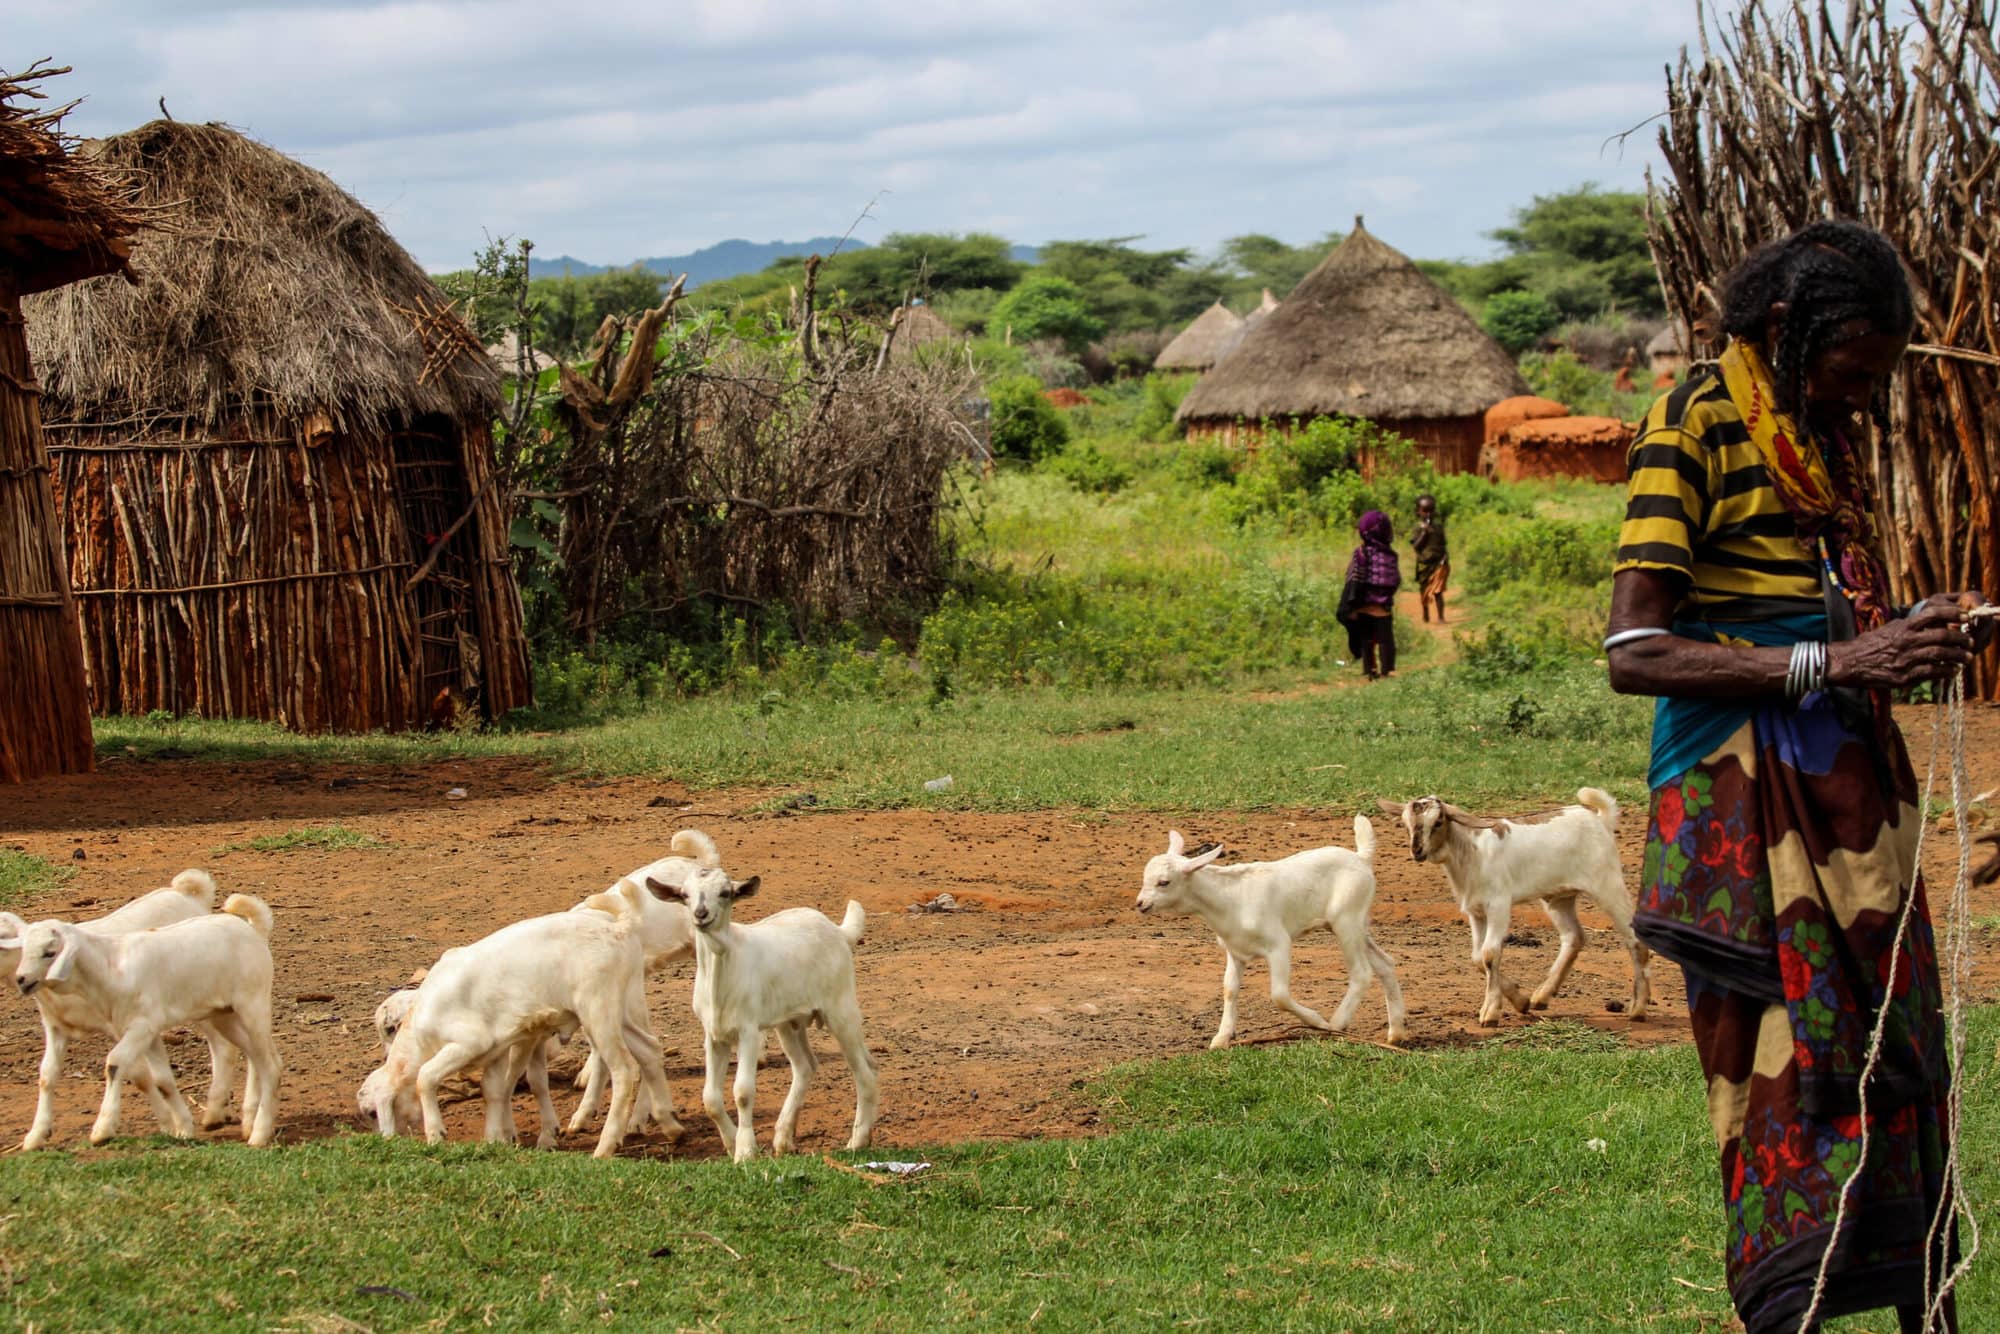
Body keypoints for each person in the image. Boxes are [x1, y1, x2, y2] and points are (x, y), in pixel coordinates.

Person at [1604, 220, 1988, 1334]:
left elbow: (1820, 614)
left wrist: (1904, 627)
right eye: (1851, 369)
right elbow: (1632, 650)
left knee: (1888, 1043)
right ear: (1783, 330)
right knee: (1782, 1061)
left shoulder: (1812, 438)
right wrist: (1835, 659)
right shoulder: (1691, 424)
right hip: (1740, 797)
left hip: (1848, 789)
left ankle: (1914, 1295)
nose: (1864, 398)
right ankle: (1786, 1307)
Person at [1338, 509, 1400, 679]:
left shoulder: (1361, 553)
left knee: (1367, 640)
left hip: (1364, 606)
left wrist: (1351, 605)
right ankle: (1387, 669)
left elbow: (1353, 577)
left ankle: (1370, 670)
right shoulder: (1391, 555)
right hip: (1383, 607)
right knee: (1386, 640)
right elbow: (1395, 579)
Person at [1411, 494, 1449, 623]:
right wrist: (1424, 534)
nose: (1428, 514)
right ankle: (1425, 613)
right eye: (1425, 511)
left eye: (1431, 510)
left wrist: (1445, 558)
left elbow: (1443, 544)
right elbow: (1416, 546)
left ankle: (1441, 617)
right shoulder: (1418, 528)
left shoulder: (1438, 527)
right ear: (1418, 511)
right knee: (1424, 591)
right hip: (1424, 564)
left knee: (1438, 591)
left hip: (1439, 563)